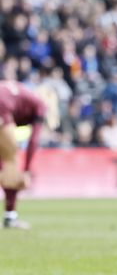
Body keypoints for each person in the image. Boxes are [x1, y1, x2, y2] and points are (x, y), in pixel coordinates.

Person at [0, 81, 58, 230]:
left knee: (4, 164)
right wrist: (26, 170)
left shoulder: (23, 95)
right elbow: (34, 140)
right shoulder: (40, 105)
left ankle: (10, 217)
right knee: (11, 166)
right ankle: (10, 217)